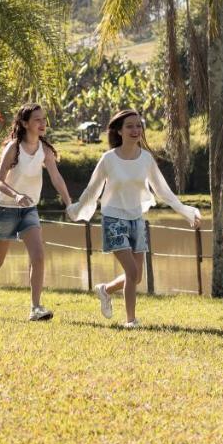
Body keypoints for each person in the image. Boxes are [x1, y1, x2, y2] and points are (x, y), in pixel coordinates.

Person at [70, 108, 201, 328]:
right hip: (113, 219)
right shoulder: (108, 159)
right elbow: (92, 190)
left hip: (137, 219)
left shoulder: (146, 159)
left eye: (138, 125)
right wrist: (76, 209)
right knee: (131, 272)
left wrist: (186, 211)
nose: (135, 130)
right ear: (119, 131)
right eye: (129, 126)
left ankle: (105, 290)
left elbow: (163, 190)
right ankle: (131, 321)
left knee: (137, 276)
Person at [0, 103, 75, 321]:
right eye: (37, 119)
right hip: (5, 209)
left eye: (43, 119)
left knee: (38, 257)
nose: (42, 123)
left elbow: (56, 178)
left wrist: (69, 202)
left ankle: (36, 308)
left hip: (29, 210)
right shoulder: (14, 147)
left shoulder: (45, 150)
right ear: (24, 123)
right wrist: (16, 195)